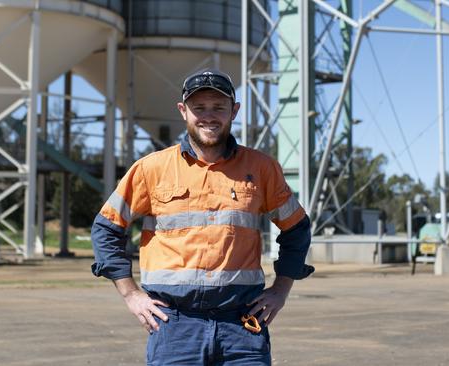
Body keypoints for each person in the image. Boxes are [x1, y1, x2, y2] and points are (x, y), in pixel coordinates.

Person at [91, 69, 314, 365]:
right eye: (199, 108)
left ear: (234, 111)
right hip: (174, 326)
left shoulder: (261, 169)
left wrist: (281, 291)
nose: (209, 116)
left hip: (243, 326)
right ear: (183, 111)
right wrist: (131, 293)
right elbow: (106, 228)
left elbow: (297, 228)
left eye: (219, 107)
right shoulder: (150, 169)